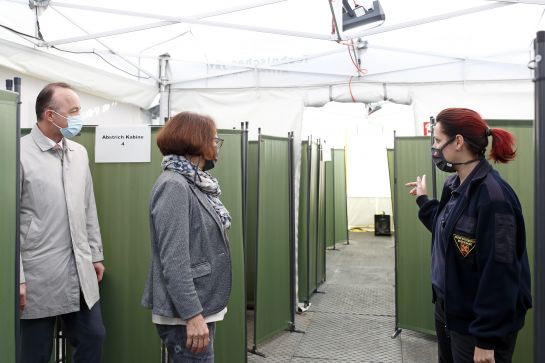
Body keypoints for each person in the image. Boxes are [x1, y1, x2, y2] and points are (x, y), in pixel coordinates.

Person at [406, 108, 532, 363]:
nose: (434, 147)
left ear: (459, 142)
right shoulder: (453, 185)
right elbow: (450, 231)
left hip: (478, 326)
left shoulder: (495, 200)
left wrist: (486, 340)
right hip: (449, 311)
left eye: (438, 141)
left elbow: (500, 273)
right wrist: (423, 200)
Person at [19, 82, 106, 362]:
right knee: (34, 352)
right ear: (50, 115)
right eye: (75, 110)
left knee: (94, 336)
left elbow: (88, 206)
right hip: (37, 273)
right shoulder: (16, 154)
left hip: (79, 267)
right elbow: (5, 225)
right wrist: (17, 278)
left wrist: (95, 255)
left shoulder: (79, 153)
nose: (80, 116)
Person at [141, 111, 232, 363]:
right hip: (186, 316)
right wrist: (192, 315)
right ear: (196, 141)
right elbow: (174, 259)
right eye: (213, 139)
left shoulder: (193, 183)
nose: (216, 144)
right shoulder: (174, 185)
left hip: (195, 310)